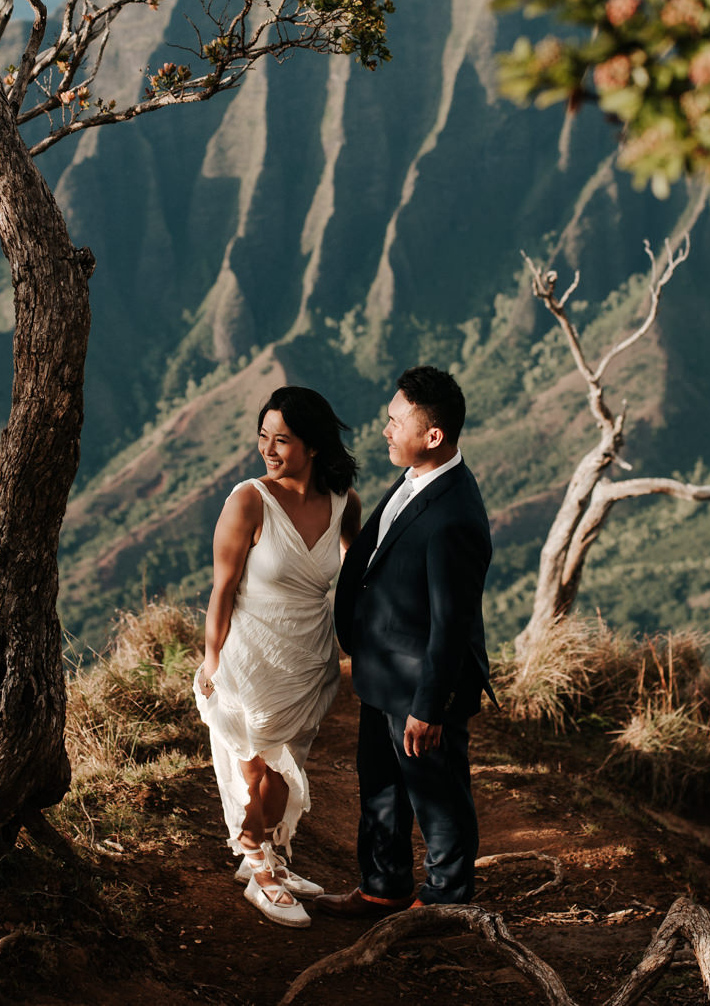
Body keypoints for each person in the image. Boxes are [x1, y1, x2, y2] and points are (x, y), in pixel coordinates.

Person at [315, 366, 494, 916]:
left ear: (433, 436)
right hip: (383, 674)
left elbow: (452, 624)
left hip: (421, 689)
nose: (385, 430)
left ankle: (446, 901)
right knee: (382, 790)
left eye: (396, 422)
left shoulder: (456, 515)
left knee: (437, 796)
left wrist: (428, 707)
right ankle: (382, 887)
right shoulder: (418, 474)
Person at [195, 385, 361, 928]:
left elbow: (358, 576)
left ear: (312, 446)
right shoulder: (248, 499)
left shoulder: (344, 502)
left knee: (288, 769)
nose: (269, 448)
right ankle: (256, 864)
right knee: (256, 768)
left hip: (310, 658)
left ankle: (269, 855)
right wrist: (212, 658)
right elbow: (222, 588)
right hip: (250, 656)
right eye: (263, 436)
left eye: (282, 440)